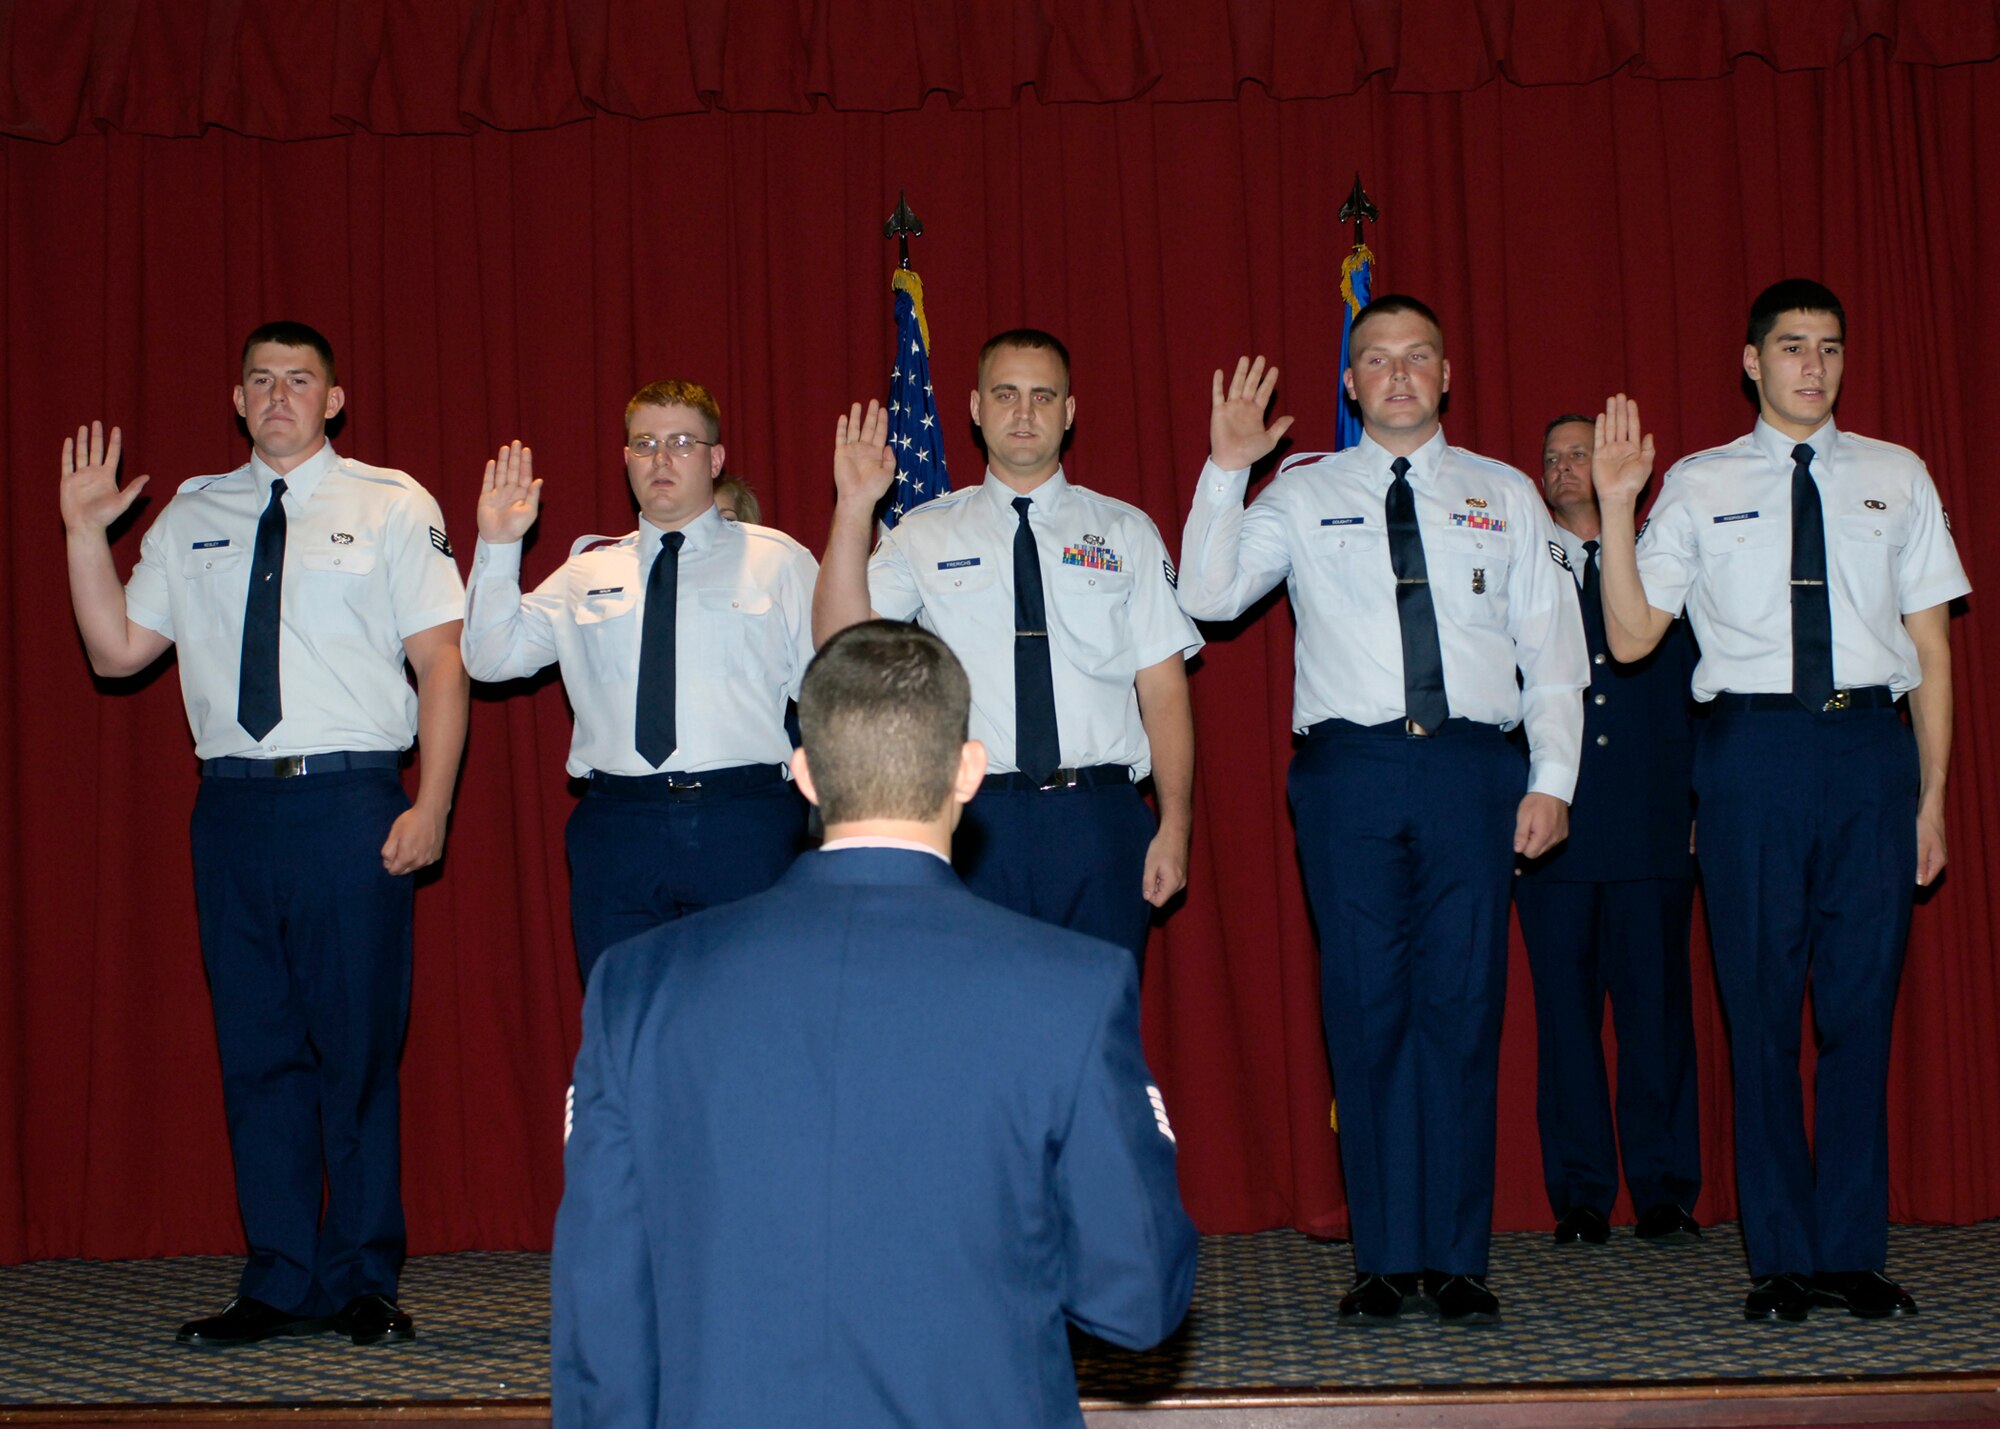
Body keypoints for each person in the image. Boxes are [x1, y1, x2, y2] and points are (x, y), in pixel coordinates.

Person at [551, 620, 1197, 1427]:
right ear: (968, 770)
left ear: (805, 774)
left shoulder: (638, 987)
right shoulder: (1071, 987)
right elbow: (1136, 1293)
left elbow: (600, 1311)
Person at [1177, 297, 1588, 1325]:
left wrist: (1552, 779)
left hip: (1470, 772)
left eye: (1415, 358)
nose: (1396, 375)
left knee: (1460, 1009)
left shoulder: (1501, 493)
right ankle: (1381, 1256)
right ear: (1349, 384)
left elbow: (1552, 652)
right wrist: (1226, 469)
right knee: (1362, 1012)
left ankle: (1454, 1257)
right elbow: (1208, 595)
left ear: (1445, 375)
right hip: (1347, 773)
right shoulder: (1299, 489)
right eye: (1374, 360)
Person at [58, 322, 468, 1348]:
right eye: (260, 381)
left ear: (334, 400)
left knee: (358, 1053)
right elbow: (115, 653)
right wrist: (79, 534)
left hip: (350, 804)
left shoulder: (390, 501)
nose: (278, 395)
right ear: (236, 401)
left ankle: (364, 1276)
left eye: (299, 380)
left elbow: (444, 664)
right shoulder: (195, 511)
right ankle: (280, 1276)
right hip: (234, 810)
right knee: (258, 1053)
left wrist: (434, 803)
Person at [1590, 279, 1968, 1322]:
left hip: (1866, 753)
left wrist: (1928, 799)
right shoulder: (1700, 483)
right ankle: (1781, 1260)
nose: (1813, 365)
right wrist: (1618, 506)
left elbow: (1930, 648)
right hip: (1750, 754)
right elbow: (1628, 638)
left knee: (1857, 1013)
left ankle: (1849, 1251)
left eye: (1830, 348)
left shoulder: (1896, 474)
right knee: (1756, 1016)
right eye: (1792, 347)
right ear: (1749, 362)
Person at [814, 329, 1199, 965]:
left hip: (1099, 820)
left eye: (1043, 396)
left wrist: (1175, 826)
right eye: (1006, 394)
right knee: (977, 1034)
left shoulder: (1124, 530)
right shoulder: (925, 532)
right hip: (974, 824)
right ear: (974, 407)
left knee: (1093, 1032)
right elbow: (836, 643)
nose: (1024, 413)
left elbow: (1162, 687)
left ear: (1069, 412)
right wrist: (855, 507)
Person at [462, 383, 815, 983]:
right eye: (645, 443)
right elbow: (490, 659)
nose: (662, 459)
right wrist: (498, 546)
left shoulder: (778, 561)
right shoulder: (586, 570)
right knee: (625, 1020)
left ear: (715, 458)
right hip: (619, 828)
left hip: (744, 822)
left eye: (681, 442)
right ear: (626, 459)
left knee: (750, 1017)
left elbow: (829, 692)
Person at [1515, 414, 1702, 1249]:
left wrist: (1701, 804)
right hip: (1551, 830)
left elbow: (1706, 689)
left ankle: (1664, 1188)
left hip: (1654, 820)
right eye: (1551, 457)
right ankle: (1582, 1193)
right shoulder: (1520, 558)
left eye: (1578, 453)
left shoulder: (1667, 558)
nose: (1561, 468)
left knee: (1657, 1015)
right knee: (1565, 1019)